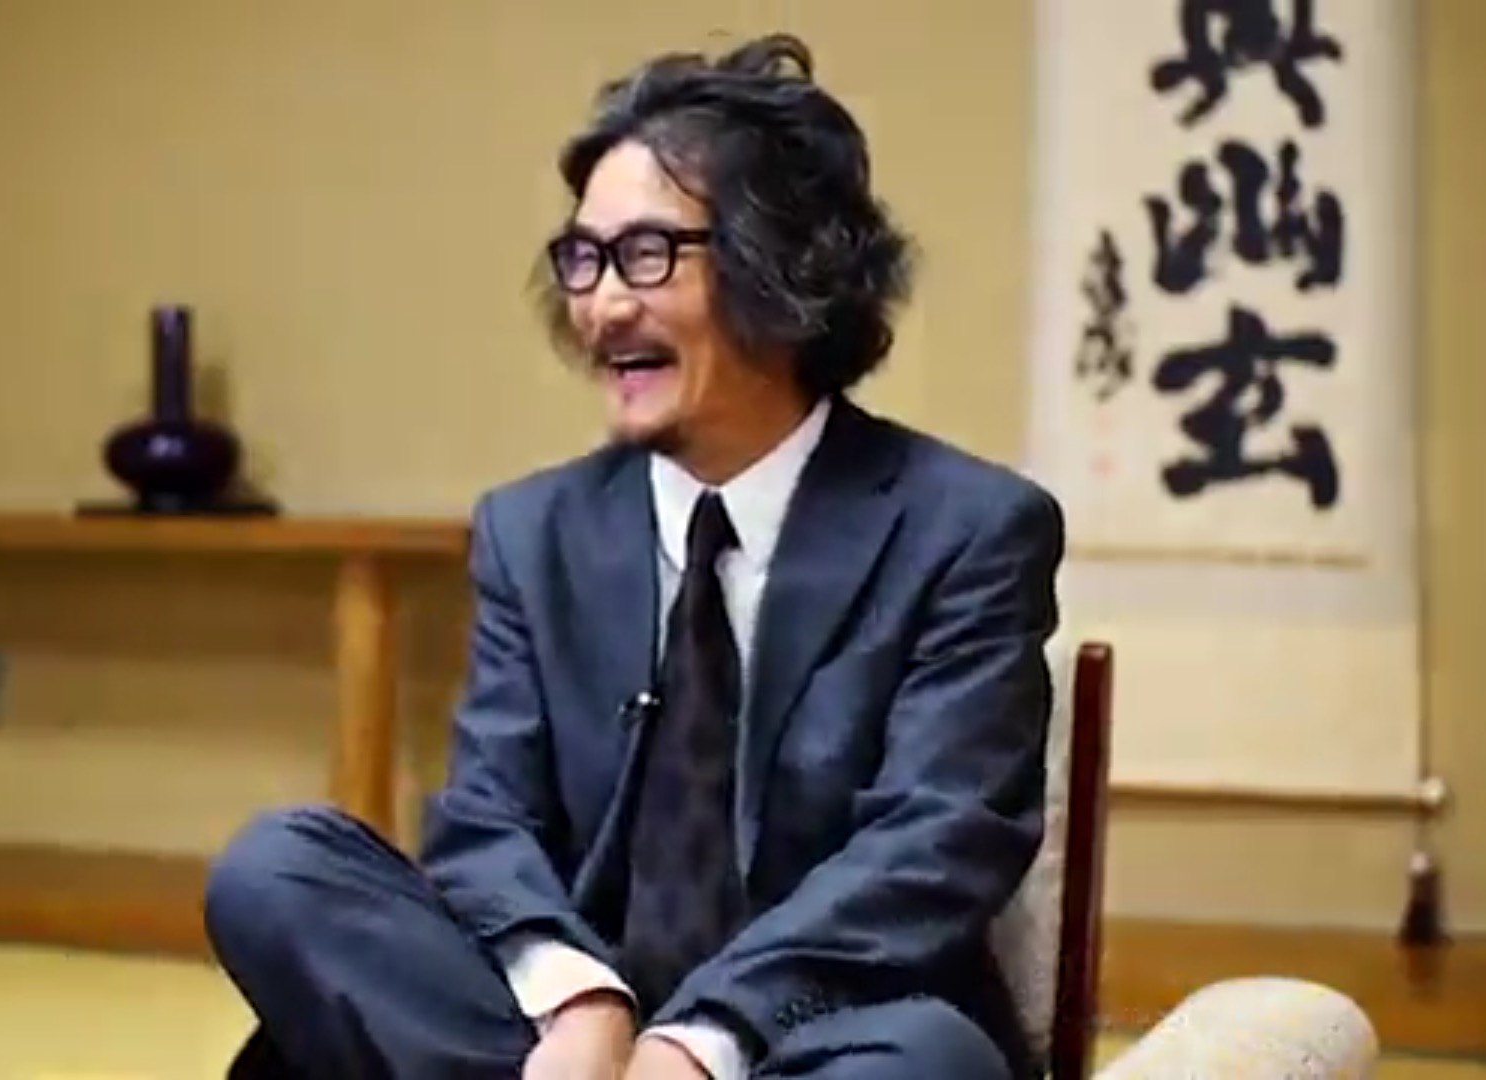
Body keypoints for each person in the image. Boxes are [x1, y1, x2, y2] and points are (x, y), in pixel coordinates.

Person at [203, 31, 1064, 1080]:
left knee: (927, 1061)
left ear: (788, 263)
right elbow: (486, 822)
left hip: (804, 1030)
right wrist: (581, 1003)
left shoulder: (966, 528)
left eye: (648, 254)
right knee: (279, 868)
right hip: (557, 1036)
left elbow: (935, 847)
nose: (604, 305)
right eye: (584, 258)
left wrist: (697, 1043)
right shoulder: (533, 531)